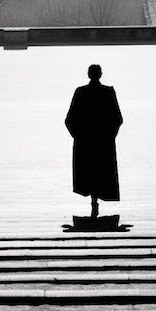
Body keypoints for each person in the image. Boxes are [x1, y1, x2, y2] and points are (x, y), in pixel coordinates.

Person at [64, 64, 123, 219]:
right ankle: (96, 197)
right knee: (101, 170)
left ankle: (93, 198)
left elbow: (69, 119)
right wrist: (110, 135)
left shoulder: (81, 92)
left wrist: (78, 136)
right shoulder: (108, 92)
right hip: (103, 141)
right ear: (101, 74)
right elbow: (118, 119)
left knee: (88, 170)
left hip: (85, 141)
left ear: (88, 74)